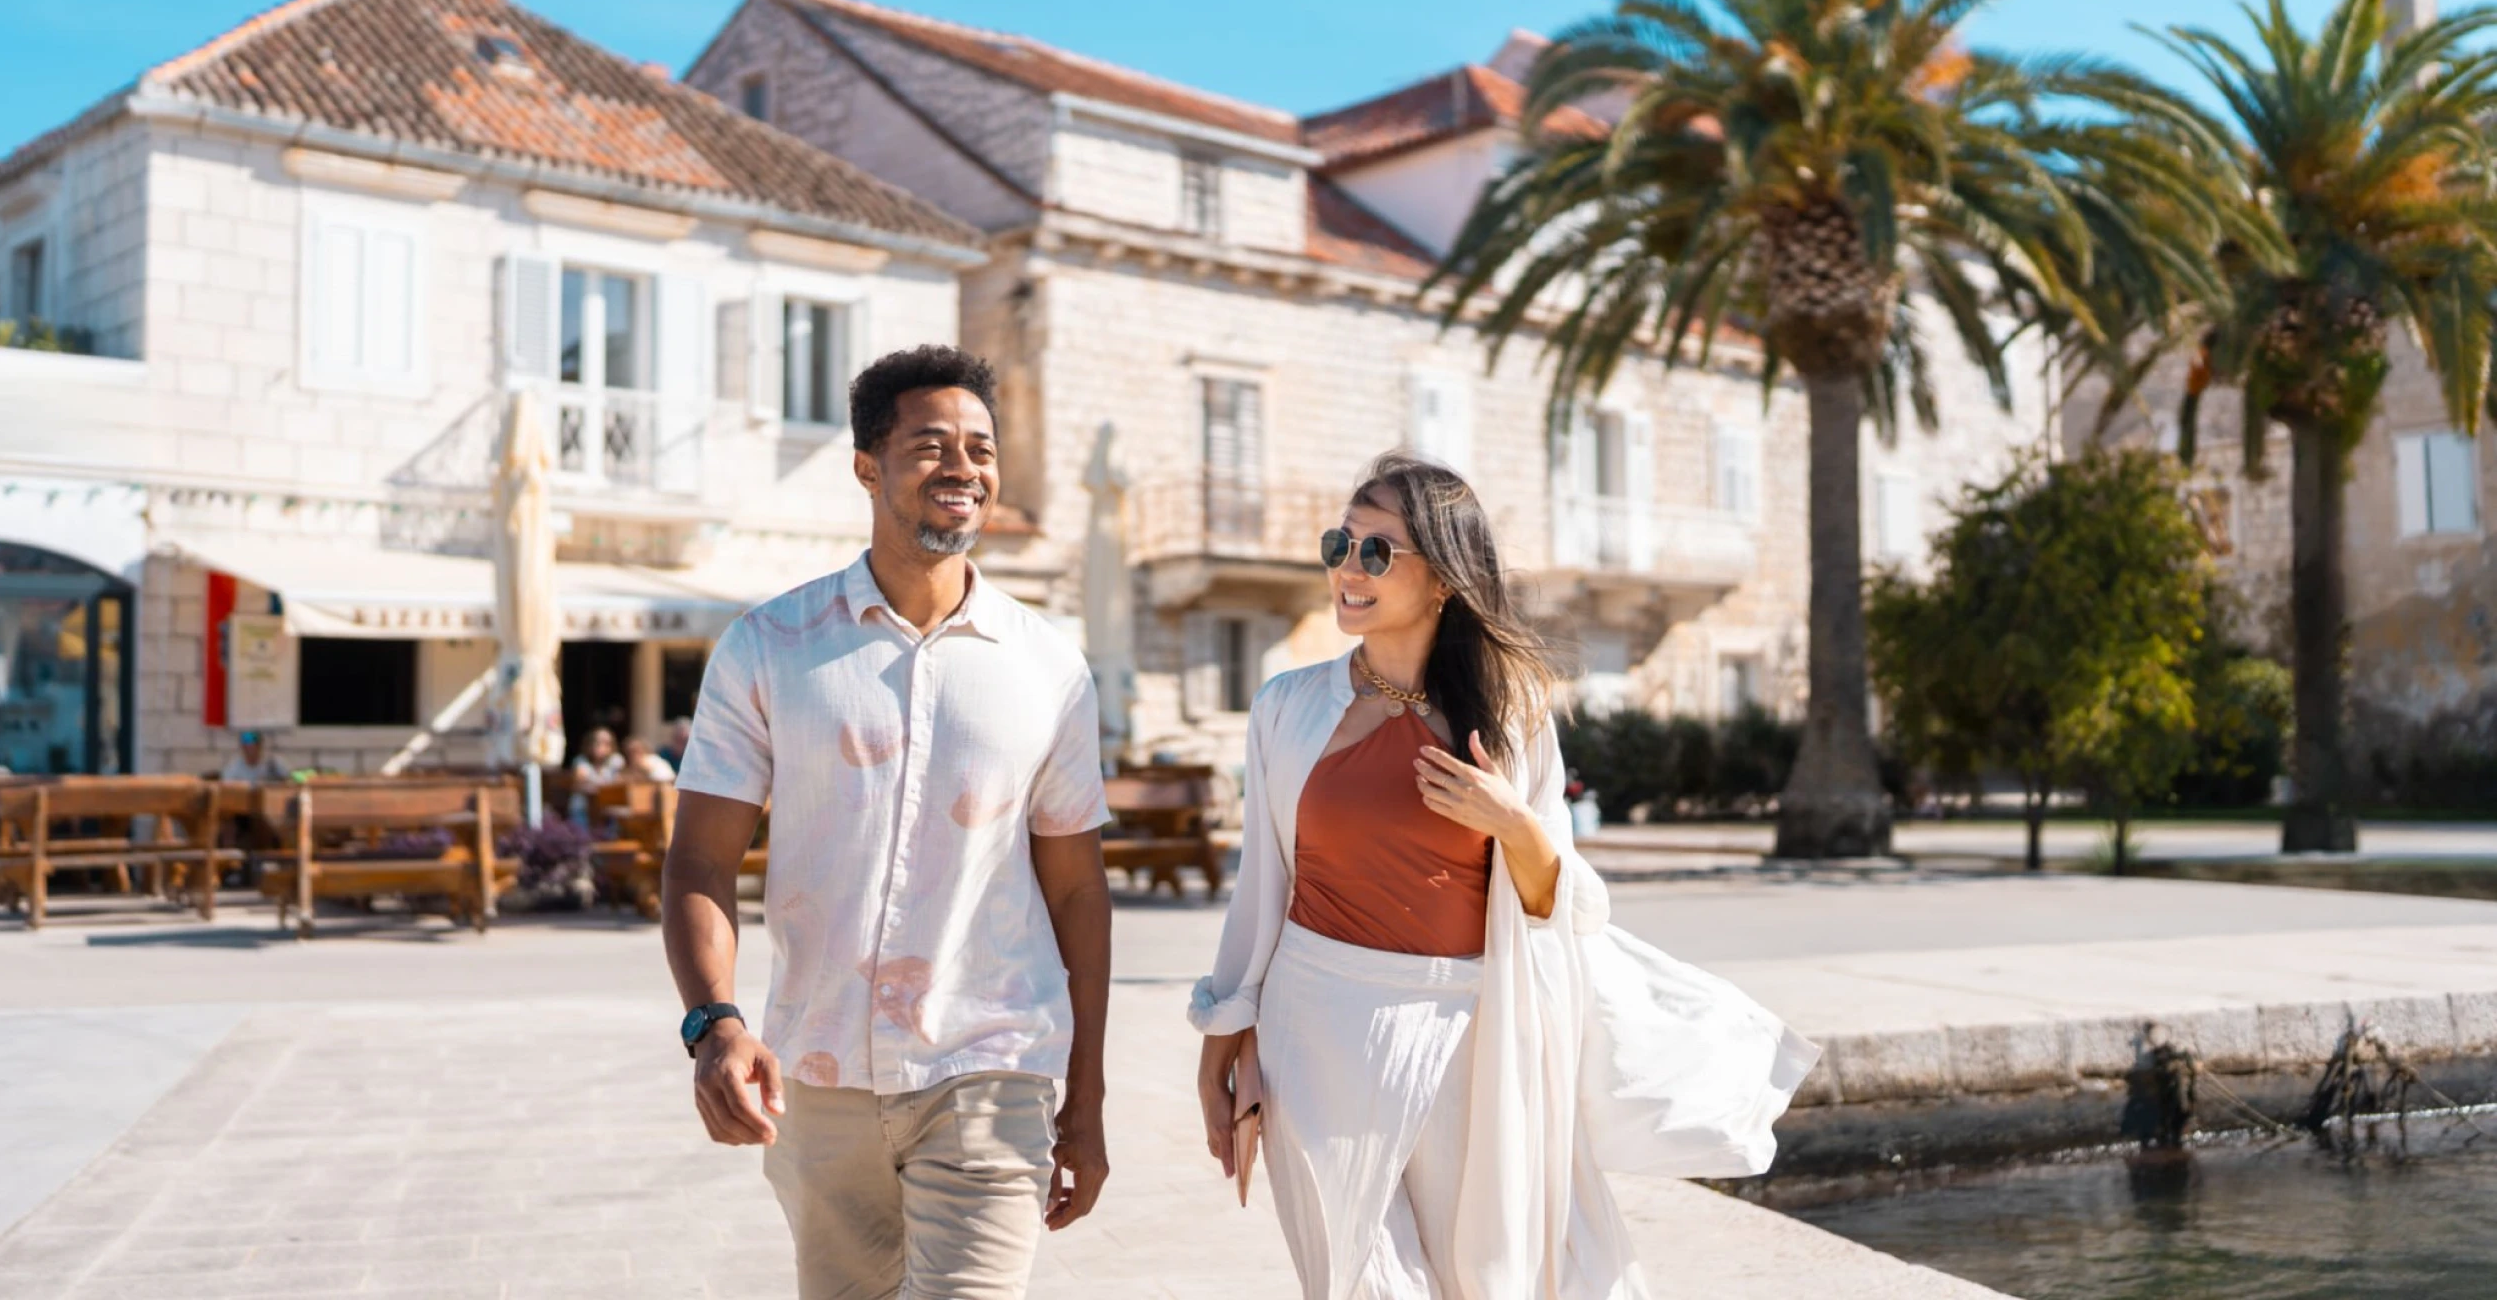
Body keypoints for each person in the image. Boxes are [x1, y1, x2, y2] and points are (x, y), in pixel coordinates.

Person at [1191, 452, 1811, 1299]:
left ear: (1444, 578)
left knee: (1485, 1283)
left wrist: (1512, 823)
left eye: (1376, 552)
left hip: (1474, 1041)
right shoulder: (1287, 707)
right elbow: (1261, 891)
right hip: (1315, 1029)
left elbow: (1564, 903)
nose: (1347, 569)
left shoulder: (1511, 713)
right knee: (1360, 1283)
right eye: (1340, 544)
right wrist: (1224, 1041)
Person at [664, 344, 1113, 1300]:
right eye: (931, 445)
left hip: (993, 1066)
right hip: (815, 1075)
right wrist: (714, 1025)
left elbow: (1077, 888)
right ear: (868, 467)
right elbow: (699, 861)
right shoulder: (768, 647)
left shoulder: (1049, 666)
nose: (965, 468)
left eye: (982, 449)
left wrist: (1089, 1095)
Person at [220, 730, 288, 783]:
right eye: (247, 747)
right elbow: (226, 789)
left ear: (260, 746)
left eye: (254, 745)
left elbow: (290, 779)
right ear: (242, 748)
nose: (251, 749)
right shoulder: (233, 769)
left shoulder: (274, 764)